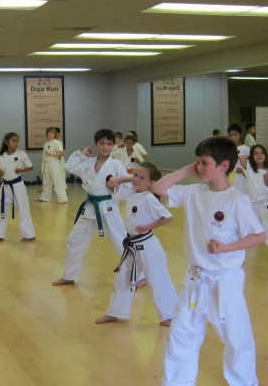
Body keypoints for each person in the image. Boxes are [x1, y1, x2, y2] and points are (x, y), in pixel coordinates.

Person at [149, 137, 265, 386]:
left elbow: (259, 235)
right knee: (181, 332)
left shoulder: (237, 200)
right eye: (198, 162)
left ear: (224, 165)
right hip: (195, 277)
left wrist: (228, 248)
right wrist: (190, 169)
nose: (200, 167)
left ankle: (246, 385)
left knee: (235, 335)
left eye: (205, 163)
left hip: (225, 279)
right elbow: (158, 187)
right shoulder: (193, 193)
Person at [52, 129, 142, 287]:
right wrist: (81, 154)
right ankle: (69, 275)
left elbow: (128, 189)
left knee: (122, 241)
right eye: (101, 143)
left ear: (113, 145)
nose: (105, 146)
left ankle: (139, 275)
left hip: (108, 208)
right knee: (75, 240)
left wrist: (114, 187)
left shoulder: (116, 164)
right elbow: (69, 166)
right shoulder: (88, 162)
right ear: (96, 144)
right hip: (90, 208)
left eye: (108, 143)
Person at [96, 162, 177, 326]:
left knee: (158, 280)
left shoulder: (149, 198)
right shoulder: (131, 193)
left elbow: (168, 217)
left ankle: (170, 314)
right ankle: (115, 312)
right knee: (123, 279)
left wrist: (148, 227)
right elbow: (112, 181)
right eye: (135, 175)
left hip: (148, 246)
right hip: (132, 246)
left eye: (142, 177)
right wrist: (130, 177)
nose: (136, 179)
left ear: (151, 183)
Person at [0, 133, 36, 242]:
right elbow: (1, 173)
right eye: (13, 141)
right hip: (5, 186)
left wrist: (21, 170)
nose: (15, 143)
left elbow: (30, 167)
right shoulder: (2, 156)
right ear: (6, 142)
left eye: (17, 141)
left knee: (23, 209)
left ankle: (29, 235)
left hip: (18, 185)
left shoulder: (21, 154)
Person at [38, 127, 67, 204]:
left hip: (54, 163)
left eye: (52, 133)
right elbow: (44, 157)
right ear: (46, 134)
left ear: (55, 134)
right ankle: (45, 197)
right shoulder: (45, 144)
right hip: (47, 163)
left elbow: (61, 153)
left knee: (57, 181)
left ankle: (62, 199)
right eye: (49, 133)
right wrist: (42, 168)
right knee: (46, 181)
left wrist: (51, 154)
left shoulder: (56, 142)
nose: (50, 134)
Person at [227, 124, 250, 196]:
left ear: (240, 135)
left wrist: (243, 170)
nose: (233, 137)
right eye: (230, 135)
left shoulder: (246, 149)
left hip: (242, 178)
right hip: (229, 178)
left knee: (242, 197)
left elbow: (251, 166)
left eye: (235, 134)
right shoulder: (226, 150)